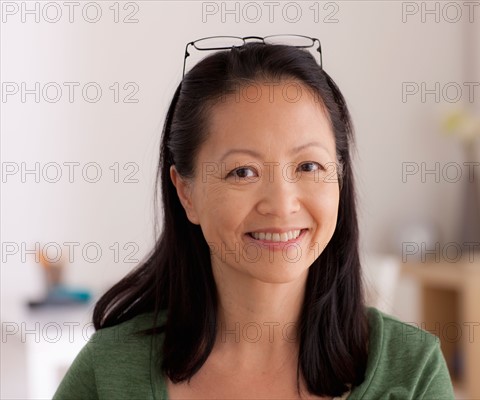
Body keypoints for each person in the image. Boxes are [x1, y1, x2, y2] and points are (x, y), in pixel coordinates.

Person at [53, 36, 455, 399]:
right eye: (242, 172)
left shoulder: (413, 371)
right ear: (186, 192)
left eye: (309, 166)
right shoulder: (108, 374)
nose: (281, 204)